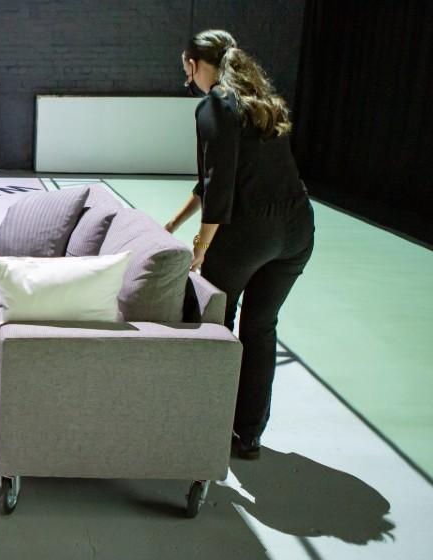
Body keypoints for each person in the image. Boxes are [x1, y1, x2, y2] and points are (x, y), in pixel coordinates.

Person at [165, 29, 315, 460]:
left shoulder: (214, 106)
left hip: (250, 233)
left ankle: (202, 423)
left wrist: (200, 246)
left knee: (213, 322)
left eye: (186, 69)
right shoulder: (257, 102)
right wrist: (173, 223)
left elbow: (218, 187)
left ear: (193, 64)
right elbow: (210, 181)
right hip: (296, 230)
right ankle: (247, 435)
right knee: (260, 328)